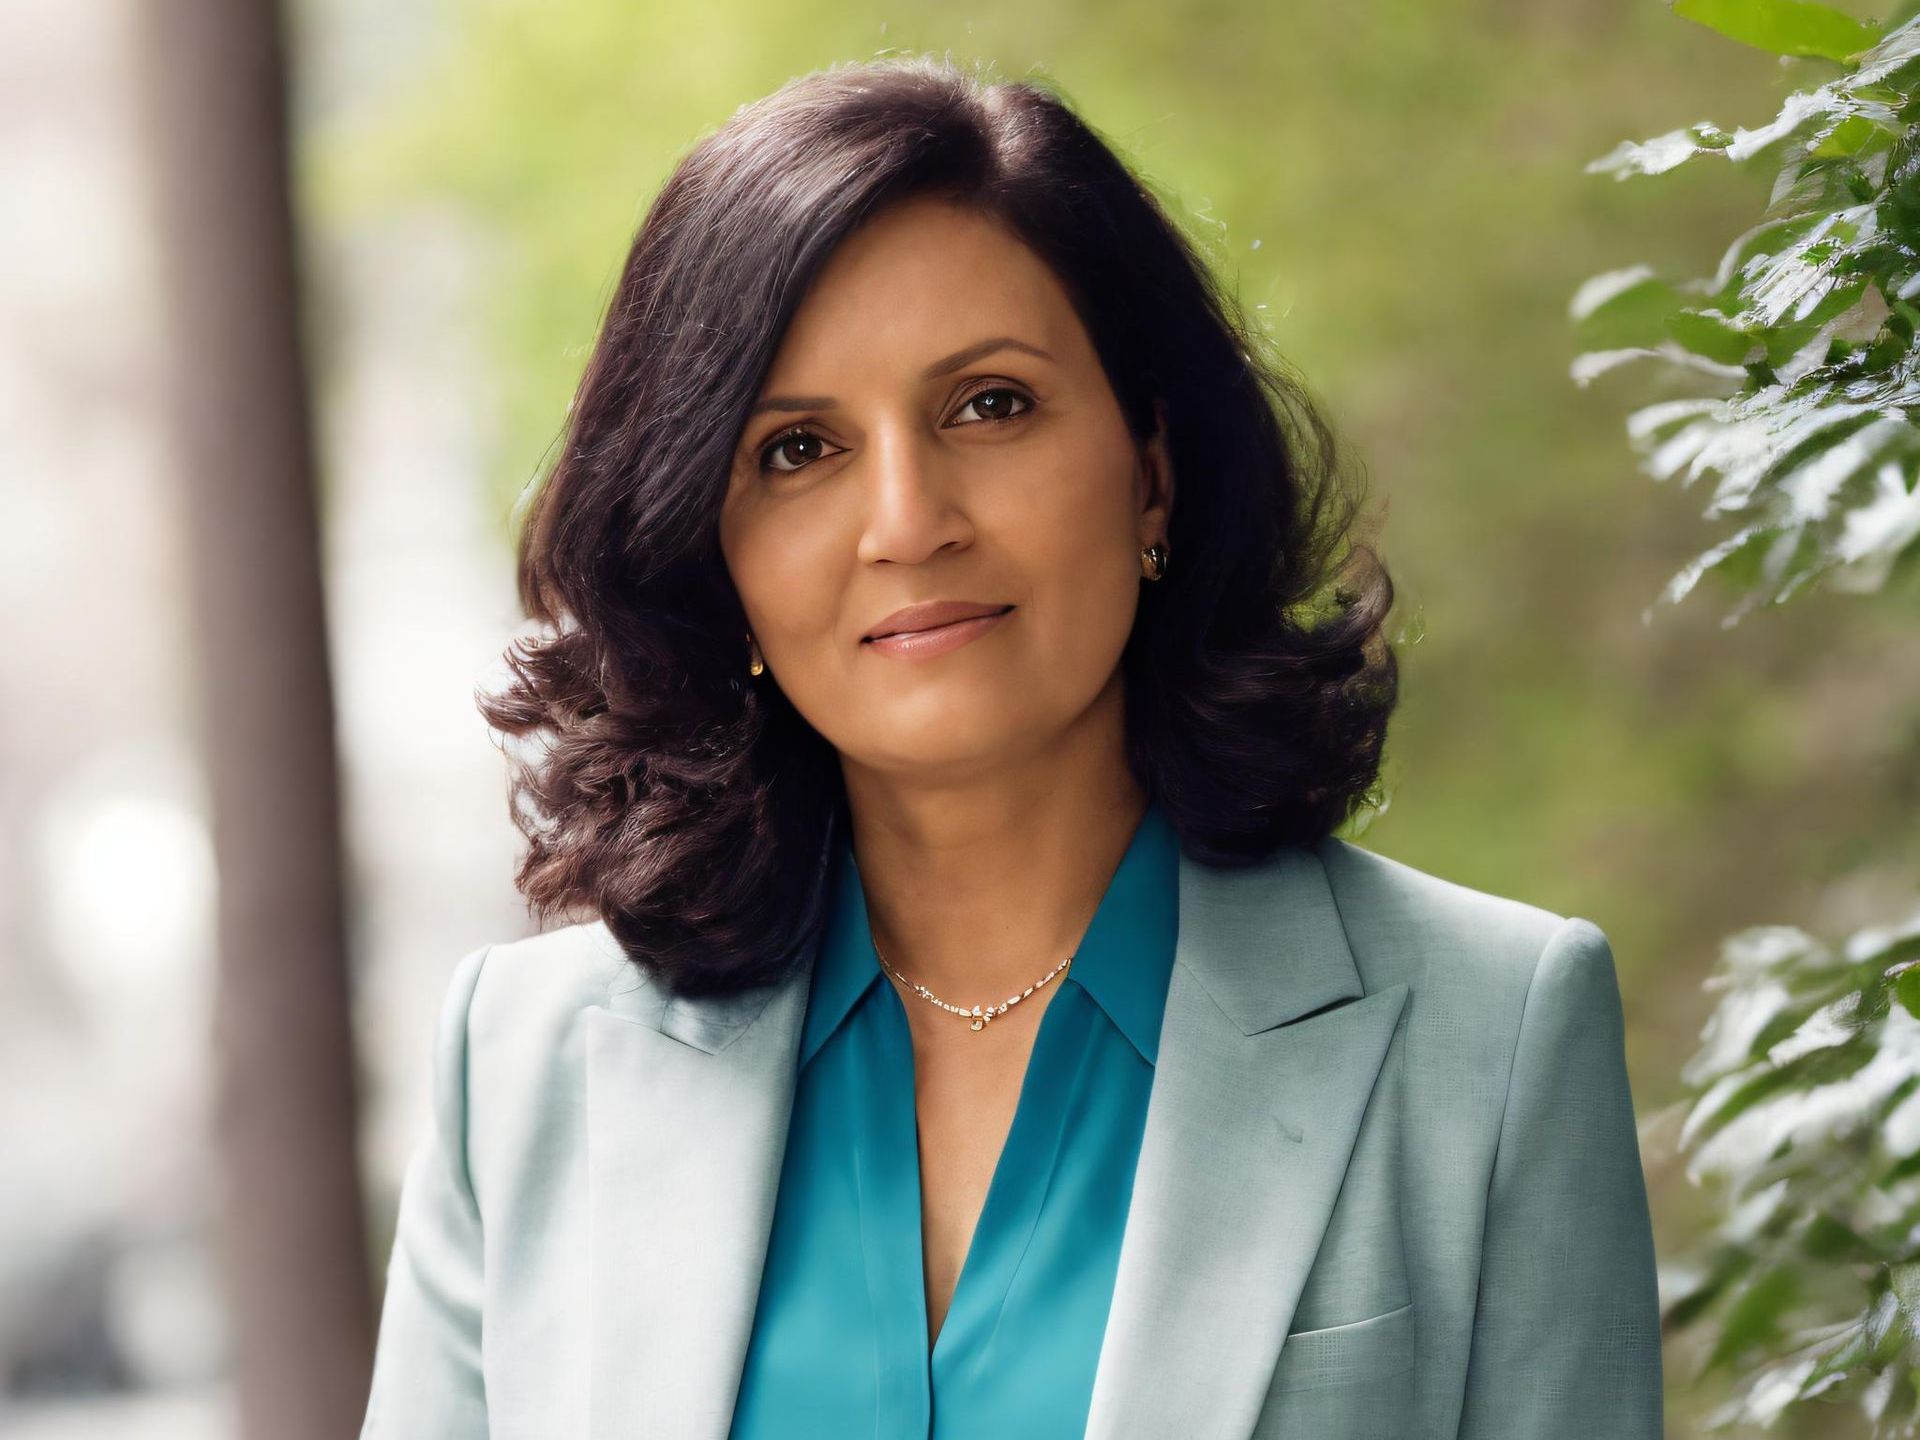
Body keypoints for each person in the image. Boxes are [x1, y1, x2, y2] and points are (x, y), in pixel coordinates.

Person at [358, 54, 1664, 1440]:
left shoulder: (1495, 1035)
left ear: (1151, 468)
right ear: (707, 546)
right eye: (797, 450)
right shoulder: (519, 1068)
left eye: (989, 403)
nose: (908, 522)